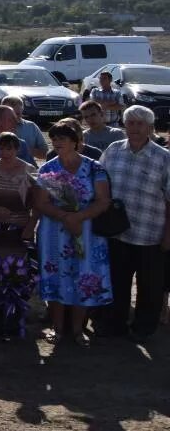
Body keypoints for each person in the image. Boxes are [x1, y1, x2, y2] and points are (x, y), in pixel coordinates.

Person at [35, 119, 114, 344]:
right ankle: (58, 328)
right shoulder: (48, 168)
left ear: (75, 142)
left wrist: (78, 217)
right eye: (54, 139)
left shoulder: (94, 167)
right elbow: (41, 202)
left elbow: (103, 200)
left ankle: (78, 329)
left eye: (62, 139)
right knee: (56, 277)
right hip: (55, 232)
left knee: (84, 277)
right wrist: (65, 216)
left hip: (87, 231)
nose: (57, 143)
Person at [99, 105, 170, 340]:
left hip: (150, 234)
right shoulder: (113, 150)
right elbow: (100, 185)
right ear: (124, 125)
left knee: (150, 288)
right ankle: (115, 325)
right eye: (131, 123)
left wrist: (168, 235)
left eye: (141, 124)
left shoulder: (164, 158)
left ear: (150, 128)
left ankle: (143, 329)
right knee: (117, 282)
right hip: (117, 233)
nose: (135, 128)